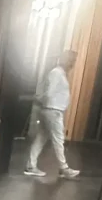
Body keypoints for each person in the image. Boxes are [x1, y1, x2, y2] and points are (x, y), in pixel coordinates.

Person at [24, 50, 80, 179]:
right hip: (53, 111)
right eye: (73, 61)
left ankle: (31, 165)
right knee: (58, 139)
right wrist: (41, 100)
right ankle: (63, 168)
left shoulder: (59, 73)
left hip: (51, 110)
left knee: (42, 137)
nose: (73, 64)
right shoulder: (57, 73)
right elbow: (49, 93)